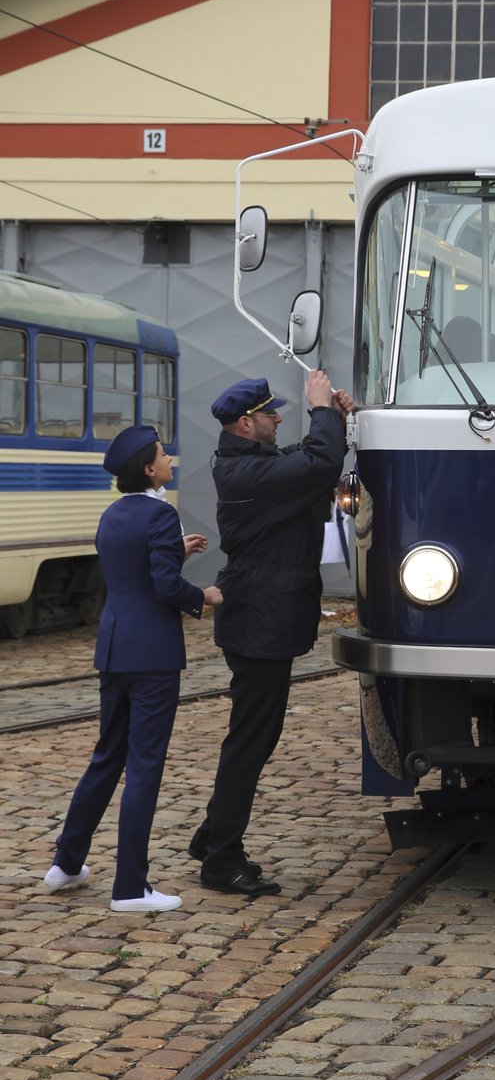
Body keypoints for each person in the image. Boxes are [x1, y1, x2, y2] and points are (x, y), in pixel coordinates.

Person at [43, 424, 222, 913]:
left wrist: (174, 551)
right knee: (144, 766)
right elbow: (164, 587)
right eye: (164, 455)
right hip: (153, 657)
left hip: (115, 647)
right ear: (148, 469)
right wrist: (202, 597)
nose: (170, 460)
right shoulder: (162, 514)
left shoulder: (113, 515)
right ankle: (129, 887)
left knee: (107, 756)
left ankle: (66, 863)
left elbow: (132, 571)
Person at [190, 371, 352, 897]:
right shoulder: (246, 475)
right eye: (269, 413)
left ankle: (213, 835)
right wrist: (321, 409)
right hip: (258, 622)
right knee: (251, 740)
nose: (278, 417)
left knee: (256, 736)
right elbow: (319, 463)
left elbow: (308, 465)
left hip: (263, 619)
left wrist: (336, 417)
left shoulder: (253, 466)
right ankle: (220, 859)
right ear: (246, 422)